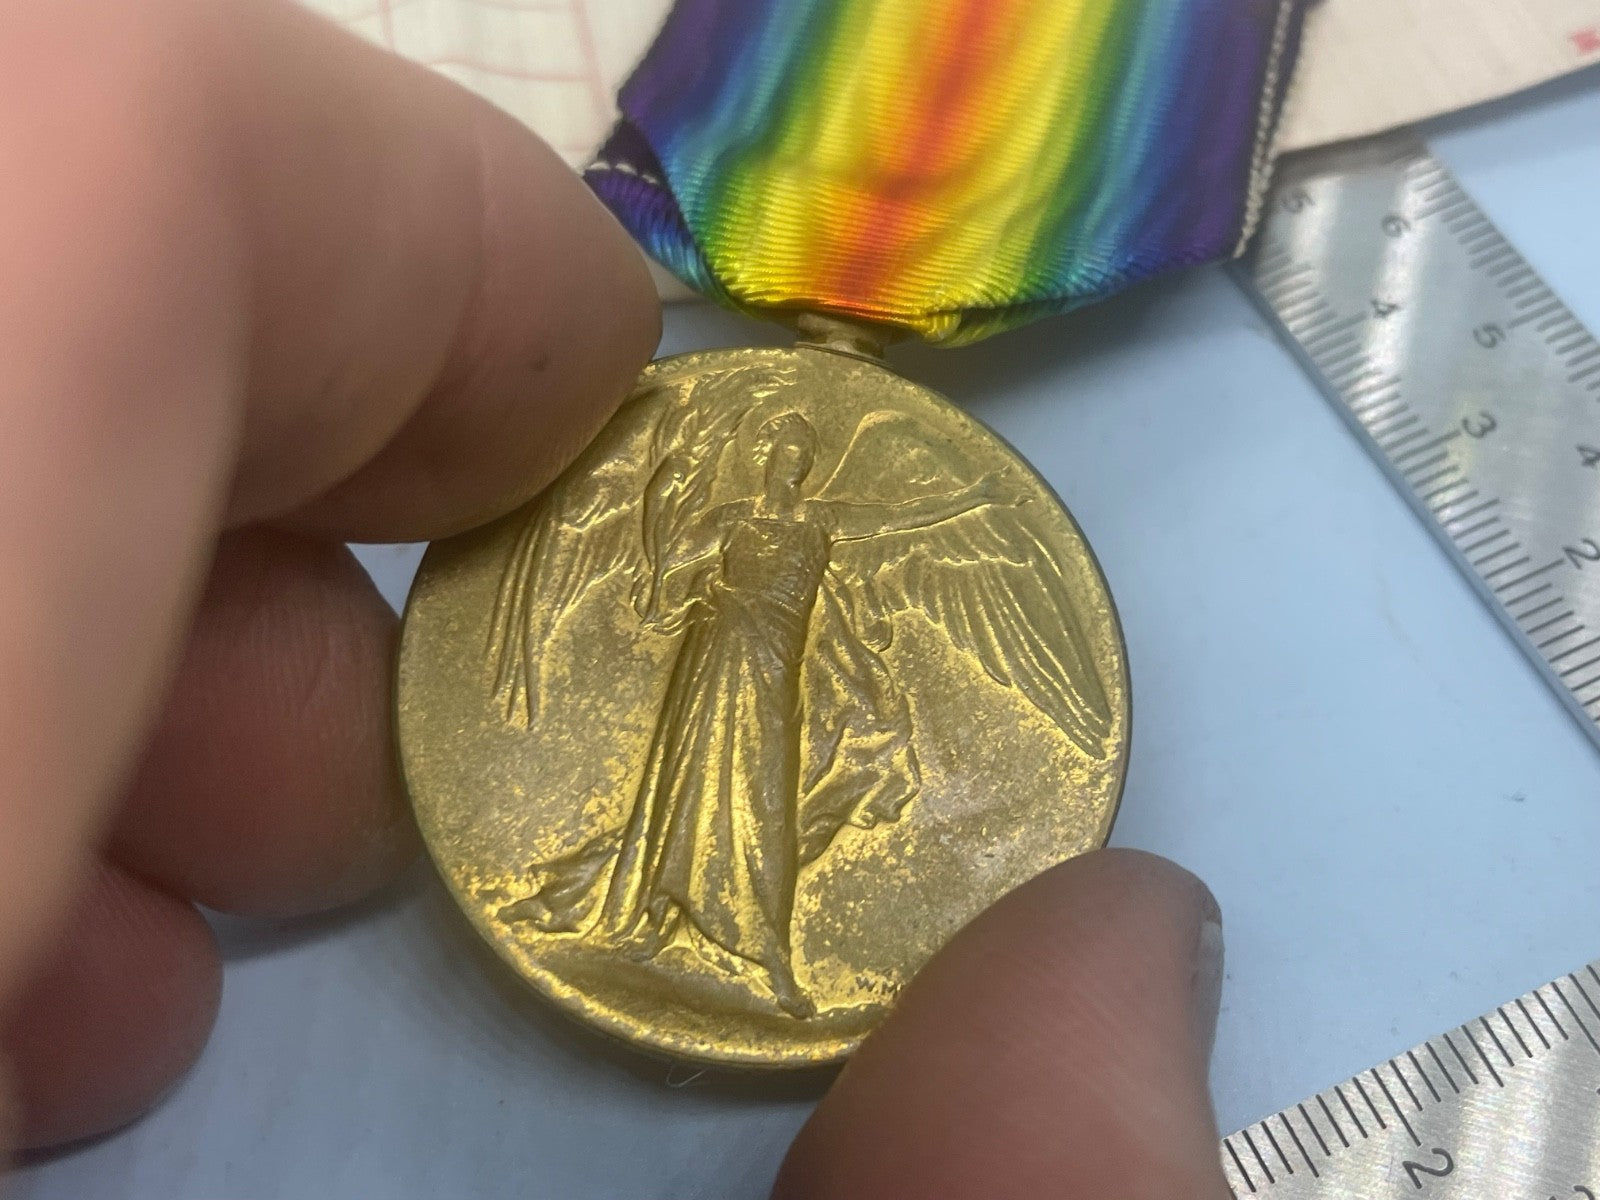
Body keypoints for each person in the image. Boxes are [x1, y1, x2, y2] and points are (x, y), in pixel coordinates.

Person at [0, 1, 1229, 1195]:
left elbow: (855, 619)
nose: (779, 465)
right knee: (683, 790)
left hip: (768, 676)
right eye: (772, 454)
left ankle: (736, 929)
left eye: (792, 458)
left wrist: (856, 683)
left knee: (749, 794)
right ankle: (665, 906)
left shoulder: (840, 523)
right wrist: (666, 541)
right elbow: (660, 574)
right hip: (708, 662)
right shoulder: (723, 508)